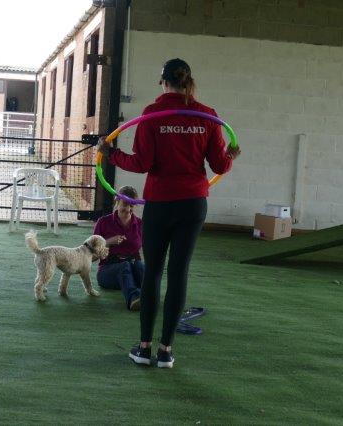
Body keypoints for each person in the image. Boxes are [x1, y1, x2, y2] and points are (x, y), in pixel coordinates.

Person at [98, 58, 241, 368]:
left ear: (162, 82)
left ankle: (144, 348)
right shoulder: (207, 116)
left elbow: (141, 163)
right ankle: (166, 351)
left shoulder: (153, 114)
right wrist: (231, 156)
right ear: (188, 81)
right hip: (193, 203)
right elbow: (219, 165)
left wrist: (111, 154)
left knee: (153, 272)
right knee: (178, 273)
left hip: (161, 203)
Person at [93, 186, 144, 311]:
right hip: (107, 271)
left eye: (132, 205)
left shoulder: (140, 223)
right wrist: (109, 242)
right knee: (124, 266)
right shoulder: (103, 222)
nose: (128, 209)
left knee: (140, 266)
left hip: (132, 267)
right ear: (117, 201)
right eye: (125, 204)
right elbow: (92, 255)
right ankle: (133, 299)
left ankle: (149, 296)